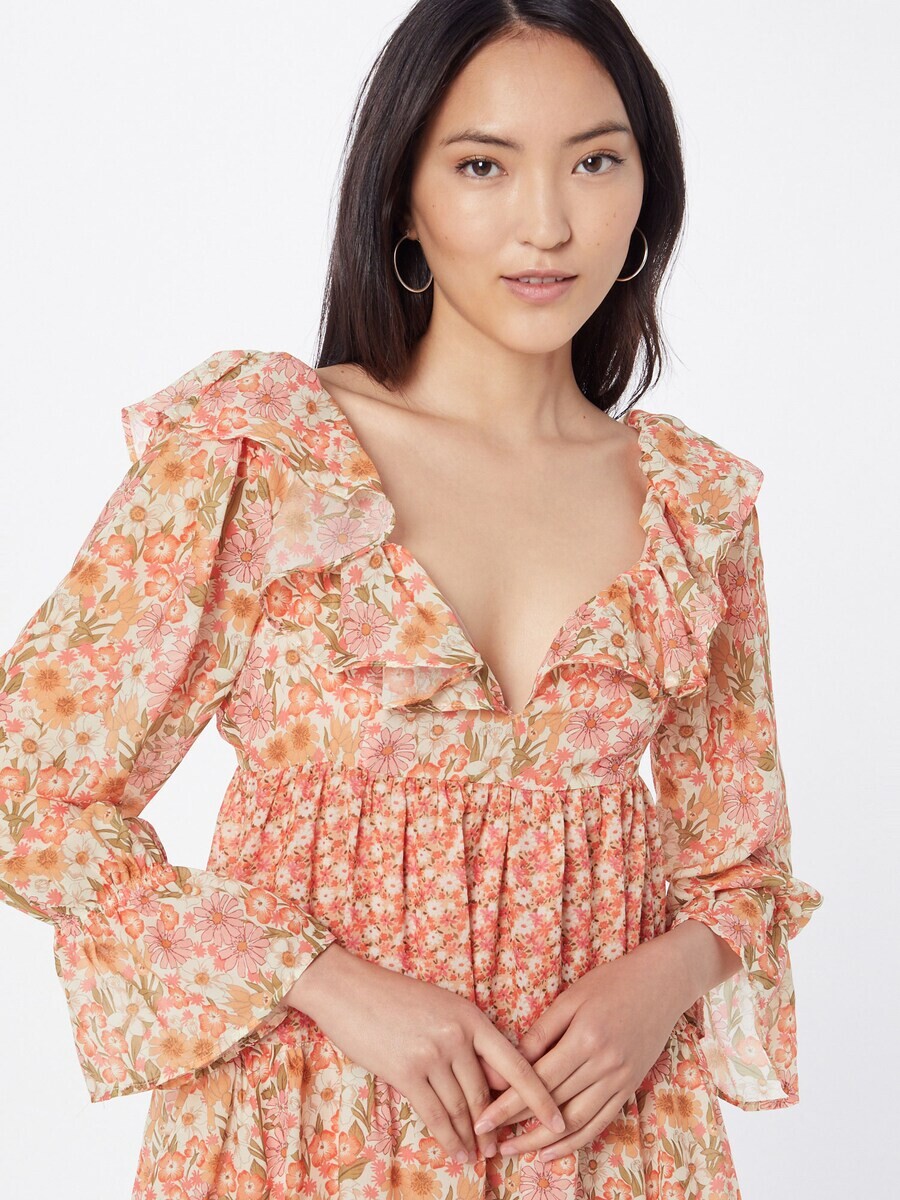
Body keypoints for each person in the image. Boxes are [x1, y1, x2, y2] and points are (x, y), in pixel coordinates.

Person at [0, 2, 824, 1197]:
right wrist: (322, 979)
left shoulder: (692, 506)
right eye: (484, 165)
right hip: (304, 1126)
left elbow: (741, 864)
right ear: (401, 198)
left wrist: (666, 977)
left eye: (595, 162)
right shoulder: (268, 453)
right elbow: (26, 786)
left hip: (604, 1140)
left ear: (650, 188)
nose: (548, 223)